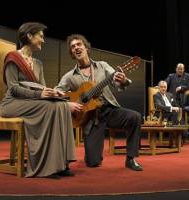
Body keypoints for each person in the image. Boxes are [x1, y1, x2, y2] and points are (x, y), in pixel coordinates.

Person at [55, 34, 143, 171]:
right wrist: (68, 104)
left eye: (79, 44)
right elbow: (56, 93)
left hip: (109, 110)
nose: (76, 48)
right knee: (93, 162)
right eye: (73, 47)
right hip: (90, 119)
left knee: (135, 117)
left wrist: (122, 80)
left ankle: (131, 158)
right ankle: (91, 154)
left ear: (86, 48)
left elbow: (117, 81)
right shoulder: (69, 76)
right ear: (71, 52)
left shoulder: (102, 66)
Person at [0, 22, 76, 178]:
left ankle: (60, 163)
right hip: (11, 103)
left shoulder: (38, 64)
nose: (43, 40)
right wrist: (40, 95)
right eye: (40, 36)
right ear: (29, 36)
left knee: (61, 106)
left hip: (30, 102)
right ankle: (44, 166)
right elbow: (13, 88)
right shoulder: (13, 57)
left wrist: (54, 94)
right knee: (49, 107)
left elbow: (41, 88)